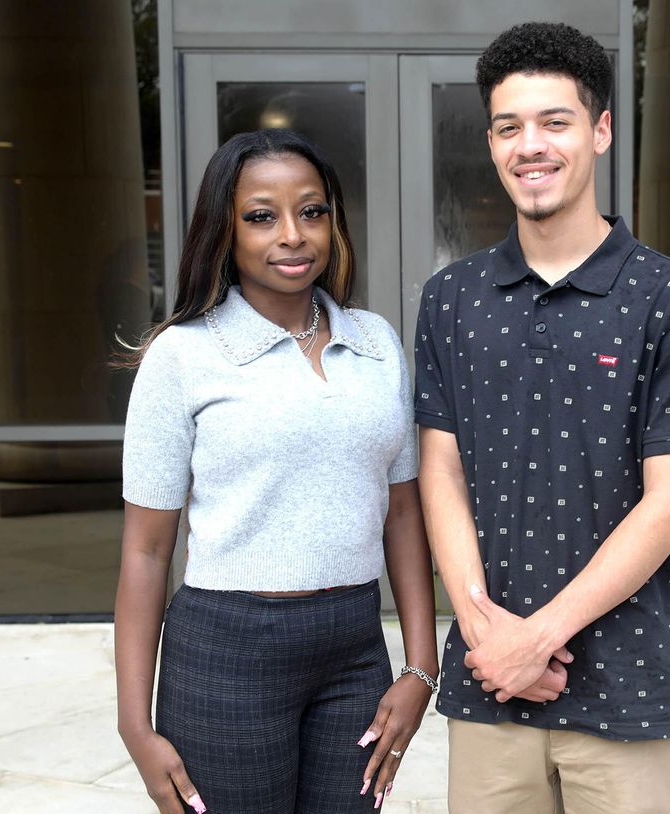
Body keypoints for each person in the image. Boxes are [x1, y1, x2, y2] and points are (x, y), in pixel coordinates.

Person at [414, 22, 670, 813]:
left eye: (554, 121)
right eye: (508, 126)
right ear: (491, 143)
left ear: (599, 131)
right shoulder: (451, 300)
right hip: (490, 685)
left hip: (628, 685)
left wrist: (537, 636)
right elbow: (441, 472)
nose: (531, 145)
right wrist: (491, 637)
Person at [114, 129, 439, 814]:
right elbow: (146, 551)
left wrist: (421, 664)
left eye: (312, 211)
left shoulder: (375, 342)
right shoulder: (183, 356)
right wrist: (134, 725)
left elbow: (402, 511)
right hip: (226, 653)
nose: (293, 235)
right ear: (224, 231)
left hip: (353, 649)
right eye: (262, 215)